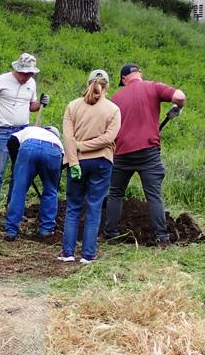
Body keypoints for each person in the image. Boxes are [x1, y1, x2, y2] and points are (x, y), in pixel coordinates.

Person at [104, 63, 187, 246]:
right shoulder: (153, 87)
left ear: (124, 79)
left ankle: (111, 234)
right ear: (139, 74)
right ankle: (162, 237)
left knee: (115, 193)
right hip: (148, 152)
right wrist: (177, 108)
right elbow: (179, 96)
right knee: (153, 195)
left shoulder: (116, 97)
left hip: (122, 152)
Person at [0, 52, 49, 222]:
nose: (27, 77)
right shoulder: (0, 81)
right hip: (3, 131)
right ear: (17, 69)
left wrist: (41, 103)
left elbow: (32, 106)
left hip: (22, 132)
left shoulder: (31, 83)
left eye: (30, 74)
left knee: (19, 172)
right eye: (24, 73)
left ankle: (12, 208)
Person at [59, 70, 121, 264]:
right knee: (94, 207)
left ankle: (68, 253)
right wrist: (87, 146)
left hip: (77, 162)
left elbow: (68, 138)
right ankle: (88, 255)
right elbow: (108, 139)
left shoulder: (73, 106)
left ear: (88, 83)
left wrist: (75, 159)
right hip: (102, 162)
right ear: (107, 86)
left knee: (73, 207)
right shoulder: (113, 109)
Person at [2, 126, 63, 241]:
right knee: (50, 191)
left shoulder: (30, 130)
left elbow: (12, 141)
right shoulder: (58, 141)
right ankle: (46, 230)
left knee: (19, 190)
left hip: (29, 148)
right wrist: (54, 184)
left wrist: (17, 163)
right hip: (53, 151)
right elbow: (60, 167)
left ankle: (11, 231)